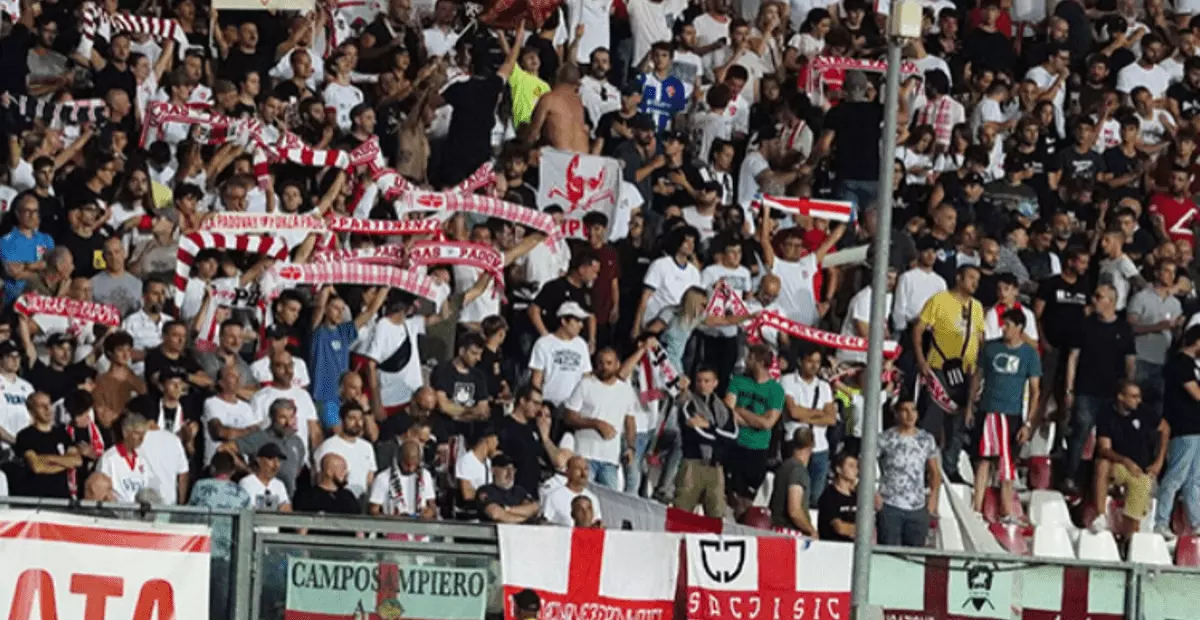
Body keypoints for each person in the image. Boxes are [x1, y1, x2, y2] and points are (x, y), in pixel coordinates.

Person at [967, 309, 1042, 522]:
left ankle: (1006, 510)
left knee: (1007, 462)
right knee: (983, 460)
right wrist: (971, 406)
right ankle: (976, 509)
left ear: (1019, 328)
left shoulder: (1029, 354)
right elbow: (977, 377)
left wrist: (1028, 423)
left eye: (1008, 325)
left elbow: (1035, 390)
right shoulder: (991, 348)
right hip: (988, 409)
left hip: (1012, 414)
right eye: (1003, 324)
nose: (1004, 328)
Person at [913, 265, 985, 472]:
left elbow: (980, 340)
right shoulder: (939, 300)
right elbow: (918, 330)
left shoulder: (977, 307)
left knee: (959, 424)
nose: (975, 283)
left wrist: (978, 372)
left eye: (977, 280)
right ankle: (922, 469)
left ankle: (950, 470)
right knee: (932, 421)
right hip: (939, 368)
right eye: (971, 277)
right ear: (959, 277)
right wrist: (921, 361)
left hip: (966, 373)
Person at [1090, 382, 1167, 534]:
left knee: (1142, 486)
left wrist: (1159, 461)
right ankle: (1100, 516)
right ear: (1121, 397)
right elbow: (1104, 449)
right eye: (1133, 396)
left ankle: (1130, 539)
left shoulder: (1145, 412)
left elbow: (1165, 428)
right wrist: (1125, 461)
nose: (1138, 400)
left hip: (1140, 470)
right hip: (1118, 465)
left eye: (1139, 396)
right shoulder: (1107, 415)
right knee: (1102, 464)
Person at [564, 348, 638, 489]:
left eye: (609, 363)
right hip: (585, 457)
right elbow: (569, 417)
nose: (605, 367)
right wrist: (596, 424)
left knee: (608, 505)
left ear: (617, 364)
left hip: (610, 460)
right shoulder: (585, 385)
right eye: (601, 363)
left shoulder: (626, 391)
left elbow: (630, 421)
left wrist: (631, 447)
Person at [1153, 326, 1200, 540]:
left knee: (1194, 479)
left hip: (1197, 428)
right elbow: (1196, 394)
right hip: (1184, 426)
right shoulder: (1179, 363)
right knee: (1176, 476)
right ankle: (1160, 521)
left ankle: (1196, 521)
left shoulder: (1192, 364)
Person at [724, 344, 784, 512]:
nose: (746, 360)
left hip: (757, 448)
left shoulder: (776, 390)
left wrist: (741, 411)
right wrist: (756, 420)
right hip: (736, 443)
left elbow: (768, 423)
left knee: (747, 499)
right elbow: (728, 412)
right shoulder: (738, 381)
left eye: (749, 357)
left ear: (757, 361)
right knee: (730, 494)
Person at [674, 368, 737, 518]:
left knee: (717, 516)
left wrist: (709, 426)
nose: (702, 385)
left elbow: (733, 436)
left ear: (715, 383)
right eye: (699, 381)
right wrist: (719, 437)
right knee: (681, 515)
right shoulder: (688, 405)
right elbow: (697, 434)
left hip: (716, 467)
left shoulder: (724, 409)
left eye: (707, 381)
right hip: (692, 464)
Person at [877, 401, 941, 548]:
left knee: (915, 554)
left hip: (917, 507)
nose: (910, 415)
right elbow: (867, 463)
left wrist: (932, 500)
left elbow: (934, 472)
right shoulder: (885, 438)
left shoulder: (926, 439)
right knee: (889, 553)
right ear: (897, 414)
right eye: (905, 411)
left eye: (913, 410)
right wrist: (875, 494)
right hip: (890, 504)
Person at [369, 439, 438, 519]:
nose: (411, 469)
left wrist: (430, 512)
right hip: (393, 528)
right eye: (407, 464)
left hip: (420, 526)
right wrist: (393, 518)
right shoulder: (383, 477)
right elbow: (373, 511)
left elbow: (432, 505)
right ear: (399, 459)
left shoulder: (425, 475)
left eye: (414, 464)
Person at [770, 428, 817, 536]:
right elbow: (794, 511)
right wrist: (811, 530)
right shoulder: (798, 470)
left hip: (775, 530)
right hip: (790, 533)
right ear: (811, 446)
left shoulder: (784, 466)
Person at [96, 413, 151, 504]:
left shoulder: (142, 460)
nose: (141, 438)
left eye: (143, 434)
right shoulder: (109, 458)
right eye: (137, 433)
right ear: (125, 433)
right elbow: (100, 491)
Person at [477, 454, 540, 523]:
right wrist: (525, 519)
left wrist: (506, 509)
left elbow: (533, 508)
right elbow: (495, 514)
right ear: (493, 470)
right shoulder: (485, 491)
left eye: (512, 469)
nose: (510, 473)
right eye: (505, 469)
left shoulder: (519, 490)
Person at [541, 455, 602, 526]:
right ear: (568, 472)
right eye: (578, 469)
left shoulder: (593, 498)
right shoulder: (553, 496)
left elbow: (596, 523)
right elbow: (543, 525)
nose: (583, 474)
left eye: (586, 469)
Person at [817, 452, 859, 542]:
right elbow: (840, 528)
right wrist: (861, 530)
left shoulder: (857, 497)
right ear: (839, 469)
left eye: (856, 466)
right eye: (851, 466)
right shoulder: (829, 496)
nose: (855, 470)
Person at [239, 444, 293, 512]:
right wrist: (277, 507)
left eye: (278, 460)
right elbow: (248, 510)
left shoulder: (279, 485)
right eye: (271, 459)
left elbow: (287, 509)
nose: (275, 465)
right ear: (259, 460)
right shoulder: (247, 483)